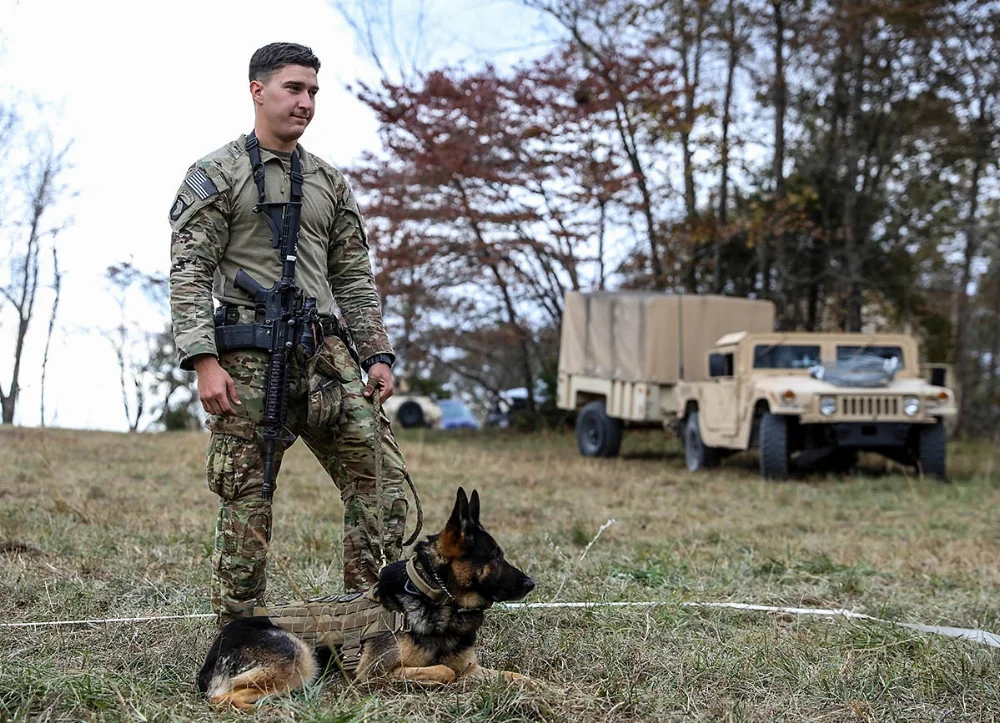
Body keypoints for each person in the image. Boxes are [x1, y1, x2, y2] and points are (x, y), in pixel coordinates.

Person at [168, 42, 410, 625]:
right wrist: (202, 359)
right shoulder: (215, 174)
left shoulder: (330, 181)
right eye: (294, 89)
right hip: (247, 362)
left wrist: (376, 353)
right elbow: (189, 273)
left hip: (327, 359)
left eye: (313, 93)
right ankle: (241, 632)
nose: (306, 103)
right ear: (258, 90)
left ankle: (366, 626)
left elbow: (352, 275)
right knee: (247, 500)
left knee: (382, 485)